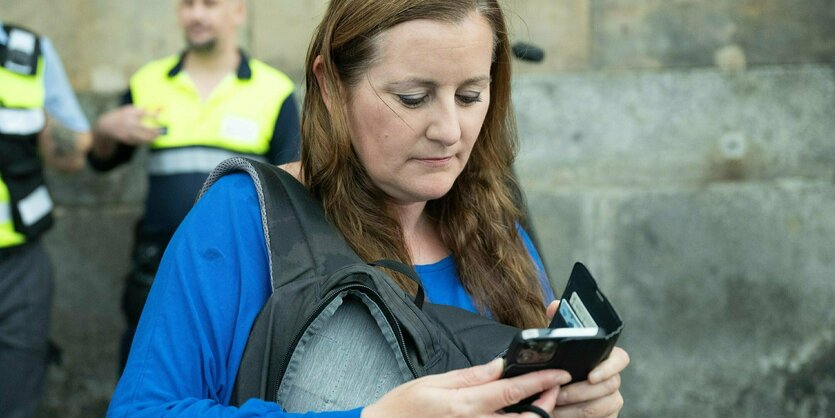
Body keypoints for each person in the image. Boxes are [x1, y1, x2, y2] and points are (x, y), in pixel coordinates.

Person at [107, 0, 629, 417]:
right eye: (411, 98)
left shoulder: (496, 227)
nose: (448, 130)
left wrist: (573, 401)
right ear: (331, 84)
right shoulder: (245, 217)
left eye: (470, 96)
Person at [88, 0, 301, 372]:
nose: (197, 15)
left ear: (238, 11)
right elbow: (101, 160)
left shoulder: (274, 90)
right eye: (188, 4)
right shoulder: (148, 82)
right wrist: (106, 129)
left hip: (239, 272)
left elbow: (292, 186)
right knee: (146, 382)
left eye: (210, 4)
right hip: (156, 271)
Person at [0, 19, 92, 418]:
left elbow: (74, 153)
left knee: (17, 398)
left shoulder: (26, 51)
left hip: (18, 265)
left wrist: (34, 118)